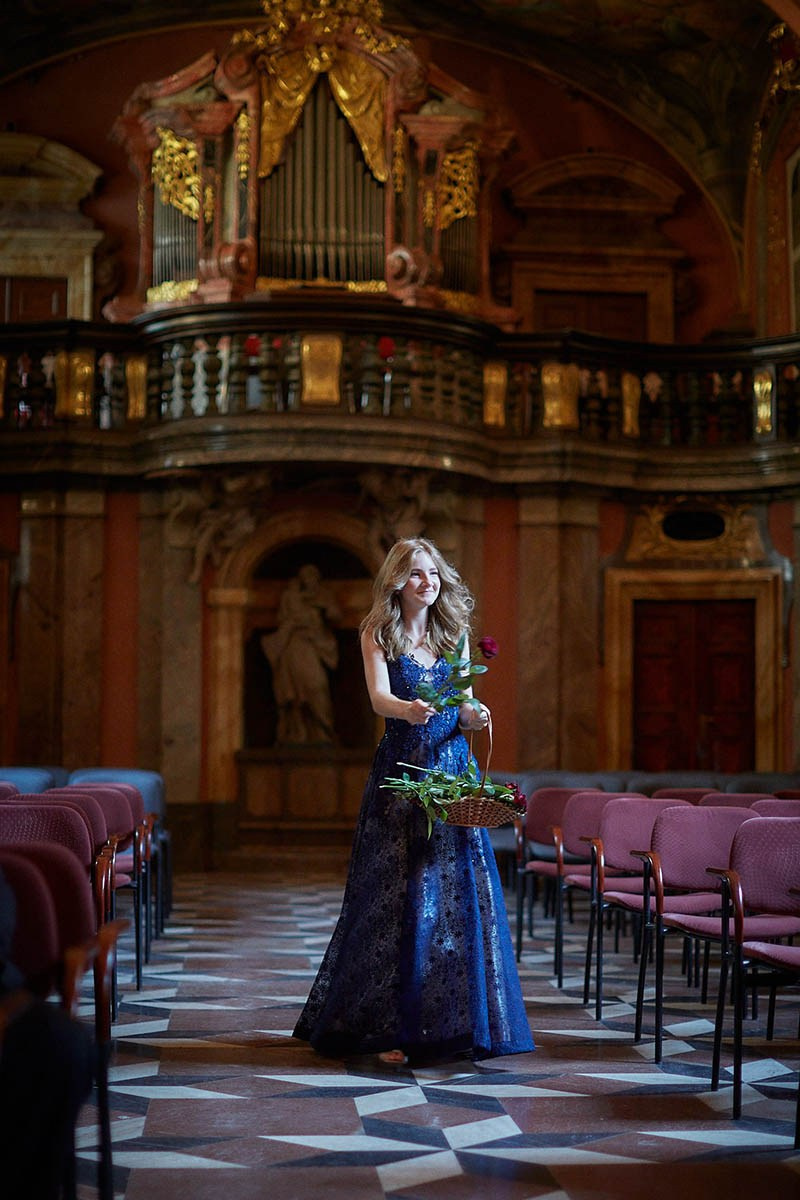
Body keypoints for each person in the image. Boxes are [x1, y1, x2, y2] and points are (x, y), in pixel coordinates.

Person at [293, 537, 534, 1064]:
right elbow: (378, 696)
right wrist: (407, 710)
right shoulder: (377, 632)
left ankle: (450, 1025)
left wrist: (478, 715)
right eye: (419, 575)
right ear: (398, 582)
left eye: (434, 574)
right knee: (397, 898)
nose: (430, 583)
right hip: (402, 776)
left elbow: (465, 708)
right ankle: (393, 1025)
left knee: (455, 897)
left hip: (451, 775)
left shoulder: (454, 636)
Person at [261, 563, 341, 744]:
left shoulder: (323, 596)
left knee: (317, 685)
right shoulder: (291, 596)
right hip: (294, 645)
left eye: (311, 576)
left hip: (316, 645)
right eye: (305, 577)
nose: (308, 580)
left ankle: (324, 732)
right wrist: (296, 621)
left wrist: (324, 608)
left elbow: (336, 616)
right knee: (294, 694)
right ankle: (297, 734)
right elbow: (282, 618)